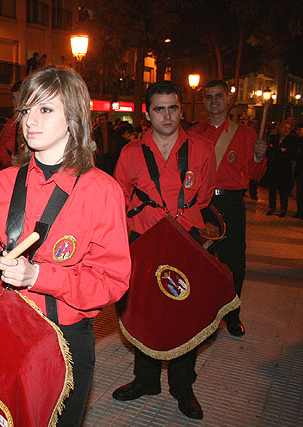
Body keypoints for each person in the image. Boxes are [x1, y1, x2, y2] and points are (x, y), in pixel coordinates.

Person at [0, 66, 131, 426]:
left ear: (74, 117)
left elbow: (112, 282)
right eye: (27, 110)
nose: (30, 120)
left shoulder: (102, 190)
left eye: (45, 109)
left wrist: (40, 277)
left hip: (62, 339)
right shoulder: (3, 183)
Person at [112, 81, 216, 420]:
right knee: (145, 313)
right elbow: (119, 198)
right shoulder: (130, 153)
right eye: (159, 109)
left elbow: (206, 195)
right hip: (145, 244)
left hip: (187, 243)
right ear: (147, 113)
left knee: (187, 314)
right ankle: (146, 381)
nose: (167, 115)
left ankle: (183, 387)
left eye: (172, 107)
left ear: (181, 109)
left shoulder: (202, 149)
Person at [190, 79, 267, 337]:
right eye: (209, 97)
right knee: (202, 261)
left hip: (232, 202)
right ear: (204, 101)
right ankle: (202, 313)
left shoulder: (244, 134)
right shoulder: (193, 133)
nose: (214, 101)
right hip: (202, 203)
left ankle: (232, 315)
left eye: (219, 96)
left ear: (228, 100)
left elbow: (255, 174)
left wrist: (258, 156)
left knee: (234, 261)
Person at [265, 121, 297, 217]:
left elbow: (289, 154)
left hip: (284, 168)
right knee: (272, 189)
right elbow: (269, 150)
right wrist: (280, 150)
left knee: (283, 190)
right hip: (273, 167)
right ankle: (272, 207)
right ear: (280, 128)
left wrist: (276, 150)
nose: (286, 130)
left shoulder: (291, 140)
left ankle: (283, 209)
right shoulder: (274, 137)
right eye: (284, 128)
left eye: (288, 129)